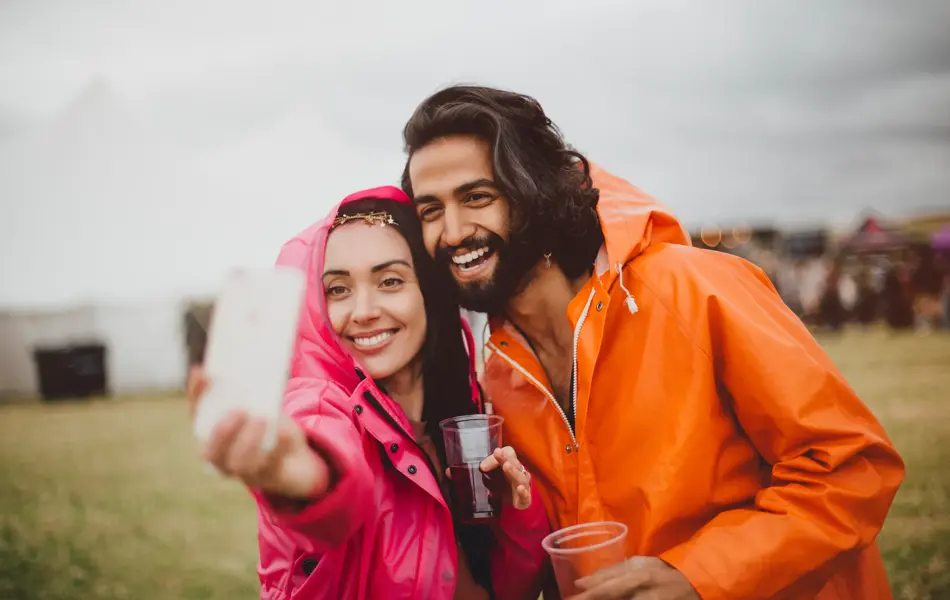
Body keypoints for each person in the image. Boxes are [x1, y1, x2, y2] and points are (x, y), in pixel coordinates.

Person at [399, 85, 906, 600]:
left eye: (477, 197)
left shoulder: (689, 289)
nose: (454, 231)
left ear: (532, 191)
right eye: (430, 211)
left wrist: (700, 575)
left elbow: (852, 466)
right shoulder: (500, 377)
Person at [186, 186, 549, 600]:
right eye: (338, 289)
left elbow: (509, 591)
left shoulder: (462, 418)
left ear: (428, 293)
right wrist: (306, 476)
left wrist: (514, 513)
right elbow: (330, 467)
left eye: (389, 281)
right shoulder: (320, 406)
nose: (362, 310)